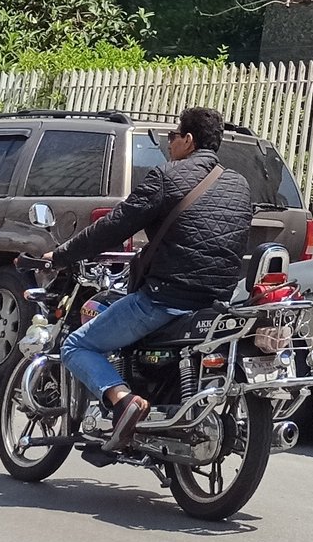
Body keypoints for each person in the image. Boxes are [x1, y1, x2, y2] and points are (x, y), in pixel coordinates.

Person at [45, 107, 252, 450]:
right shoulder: (239, 184)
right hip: (216, 302)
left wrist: (61, 255)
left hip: (166, 297)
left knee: (76, 345)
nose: (169, 143)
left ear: (188, 140)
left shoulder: (168, 176)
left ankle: (123, 400)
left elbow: (115, 225)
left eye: (173, 136)